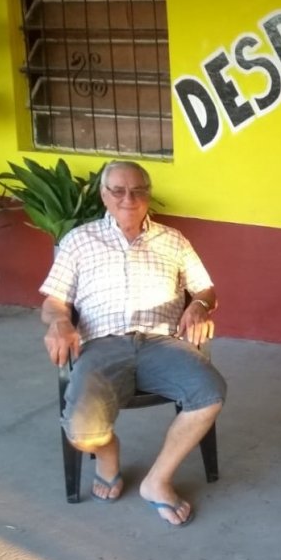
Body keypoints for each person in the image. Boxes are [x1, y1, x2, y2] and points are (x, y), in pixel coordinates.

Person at [40, 160, 226, 527]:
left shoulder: (173, 240)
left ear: (148, 195)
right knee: (82, 434)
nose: (129, 198)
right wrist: (60, 321)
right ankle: (108, 452)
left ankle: (157, 481)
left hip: (161, 341)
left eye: (138, 190)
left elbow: (206, 288)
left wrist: (200, 306)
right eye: (119, 190)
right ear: (103, 195)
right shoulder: (79, 240)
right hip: (101, 344)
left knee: (210, 392)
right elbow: (54, 299)